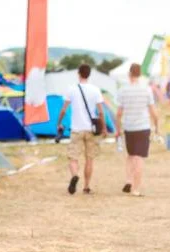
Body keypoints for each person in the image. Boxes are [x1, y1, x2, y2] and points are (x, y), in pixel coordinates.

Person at [57, 64, 106, 195]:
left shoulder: (71, 89)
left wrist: (59, 123)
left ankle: (74, 175)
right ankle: (86, 186)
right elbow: (101, 112)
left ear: (78, 73)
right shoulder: (95, 90)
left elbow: (63, 109)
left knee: (73, 157)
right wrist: (105, 128)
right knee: (89, 159)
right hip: (91, 129)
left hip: (76, 129)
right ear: (89, 74)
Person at [115, 63, 160, 197]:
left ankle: (128, 180)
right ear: (140, 74)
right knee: (139, 157)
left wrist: (118, 129)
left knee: (130, 155)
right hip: (143, 126)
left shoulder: (123, 90)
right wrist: (157, 126)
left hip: (129, 127)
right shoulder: (146, 90)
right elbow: (153, 112)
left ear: (129, 74)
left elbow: (118, 113)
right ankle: (135, 188)